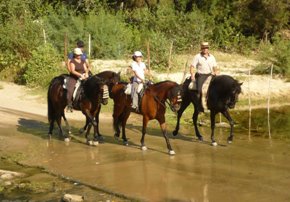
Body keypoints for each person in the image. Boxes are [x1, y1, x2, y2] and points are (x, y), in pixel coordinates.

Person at [190, 42, 218, 112]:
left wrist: (216, 72)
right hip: (201, 75)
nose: (205, 49)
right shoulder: (197, 56)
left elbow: (215, 67)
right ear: (201, 49)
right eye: (203, 48)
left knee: (218, 87)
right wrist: (192, 75)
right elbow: (192, 66)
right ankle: (200, 107)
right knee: (200, 90)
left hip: (210, 74)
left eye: (206, 48)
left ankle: (216, 104)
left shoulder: (212, 57)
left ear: (208, 48)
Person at [66, 48, 89, 112]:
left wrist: (86, 73)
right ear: (75, 55)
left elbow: (86, 68)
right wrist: (80, 75)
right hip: (74, 77)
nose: (79, 56)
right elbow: (72, 71)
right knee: (70, 89)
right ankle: (69, 104)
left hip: (83, 76)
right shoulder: (72, 61)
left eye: (80, 55)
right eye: (78, 55)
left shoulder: (82, 61)